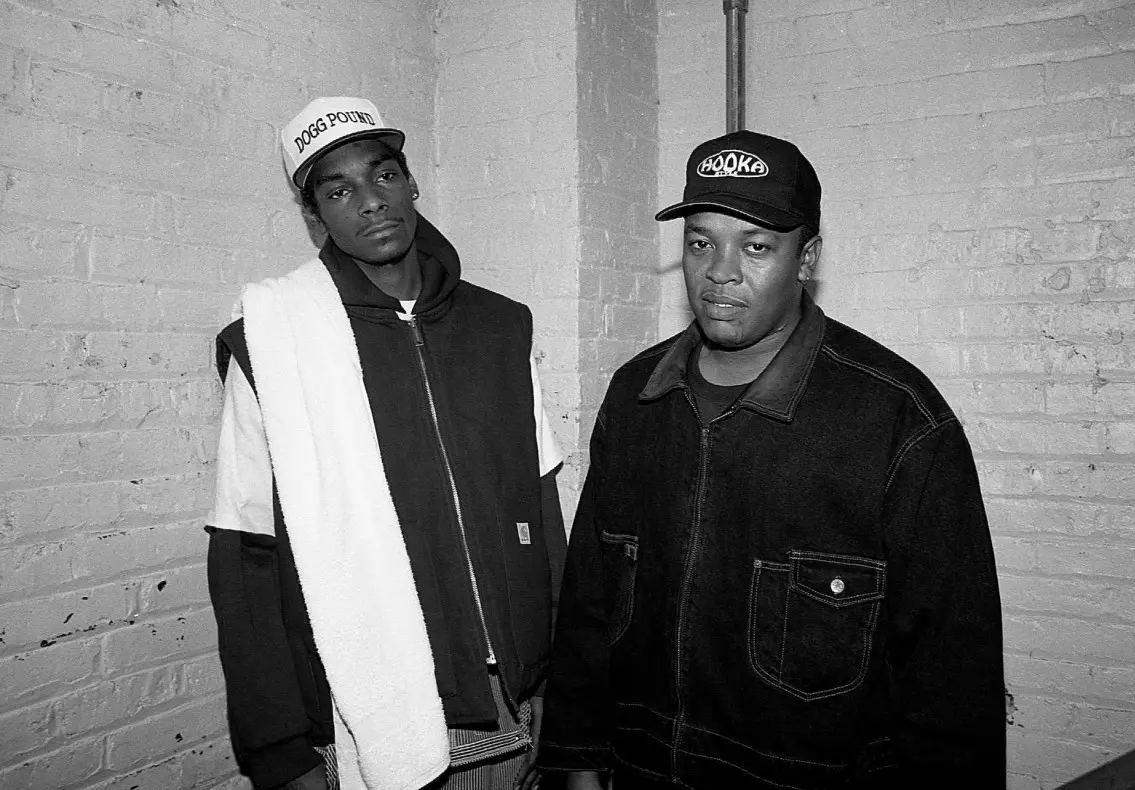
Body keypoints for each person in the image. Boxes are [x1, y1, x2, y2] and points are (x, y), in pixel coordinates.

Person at [538, 130, 1005, 788]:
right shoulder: (637, 398)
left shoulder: (896, 421)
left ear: (806, 257)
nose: (720, 271)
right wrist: (575, 760)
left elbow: (954, 675)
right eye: (700, 242)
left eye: (756, 246)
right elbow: (590, 604)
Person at [206, 96, 566, 790]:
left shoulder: (500, 328)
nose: (369, 202)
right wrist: (280, 750)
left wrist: (564, 680)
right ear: (314, 217)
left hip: (514, 697)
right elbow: (246, 552)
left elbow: (543, 512)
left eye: (384, 176)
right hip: (372, 705)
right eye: (338, 190)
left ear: (411, 183)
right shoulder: (273, 343)